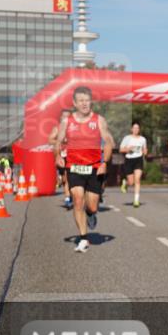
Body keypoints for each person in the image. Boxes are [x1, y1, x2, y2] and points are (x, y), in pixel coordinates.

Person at [54, 86, 114, 253]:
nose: (84, 104)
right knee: (78, 199)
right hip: (74, 167)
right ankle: (83, 238)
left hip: (94, 167)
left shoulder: (99, 120)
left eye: (87, 100)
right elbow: (58, 141)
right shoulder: (67, 122)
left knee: (92, 206)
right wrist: (58, 156)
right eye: (81, 101)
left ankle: (91, 213)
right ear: (74, 103)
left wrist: (104, 163)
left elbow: (108, 142)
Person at [119, 121, 148, 208]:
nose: (136, 130)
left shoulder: (143, 139)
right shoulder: (127, 138)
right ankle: (125, 183)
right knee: (131, 182)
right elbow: (121, 150)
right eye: (134, 128)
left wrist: (145, 152)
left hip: (138, 160)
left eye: (137, 128)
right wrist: (127, 149)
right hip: (129, 160)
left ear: (139, 130)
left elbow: (145, 149)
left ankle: (136, 200)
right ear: (131, 129)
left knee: (137, 180)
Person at [48, 112, 72, 208]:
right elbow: (50, 140)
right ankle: (68, 196)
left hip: (74, 155)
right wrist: (61, 140)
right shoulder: (57, 128)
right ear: (61, 118)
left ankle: (68, 197)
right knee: (66, 178)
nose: (66, 118)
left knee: (71, 177)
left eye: (68, 116)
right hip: (62, 156)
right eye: (64, 116)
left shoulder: (75, 128)